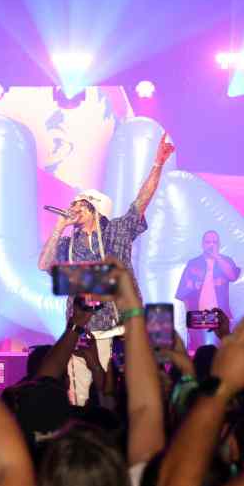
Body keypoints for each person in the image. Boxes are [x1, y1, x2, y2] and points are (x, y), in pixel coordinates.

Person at [38, 134, 175, 403]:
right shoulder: (68, 242)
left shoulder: (117, 231)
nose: (73, 208)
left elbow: (142, 200)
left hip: (123, 325)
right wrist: (58, 227)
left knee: (128, 391)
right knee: (82, 394)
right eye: (73, 204)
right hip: (86, 327)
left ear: (95, 210)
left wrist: (157, 164)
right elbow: (44, 264)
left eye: (80, 204)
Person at [174, 230, 241, 347]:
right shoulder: (194, 263)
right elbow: (183, 291)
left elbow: (232, 276)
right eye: (208, 242)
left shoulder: (226, 261)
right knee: (199, 351)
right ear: (202, 244)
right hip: (198, 314)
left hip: (220, 314)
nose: (211, 245)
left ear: (219, 245)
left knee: (222, 351)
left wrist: (217, 257)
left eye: (214, 242)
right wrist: (189, 313)